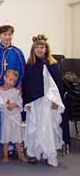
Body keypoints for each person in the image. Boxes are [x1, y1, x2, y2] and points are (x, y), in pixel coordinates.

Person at [22, 34, 66, 167]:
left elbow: (56, 85)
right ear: (33, 49)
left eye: (42, 47)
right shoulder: (30, 65)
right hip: (34, 102)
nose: (40, 49)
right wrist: (27, 102)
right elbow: (27, 85)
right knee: (33, 127)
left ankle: (49, 154)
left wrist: (55, 101)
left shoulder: (52, 65)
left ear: (46, 49)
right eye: (37, 47)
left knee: (47, 128)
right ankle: (33, 153)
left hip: (48, 102)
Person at [0, 21, 26, 158]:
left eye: (10, 34)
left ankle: (11, 146)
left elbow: (22, 70)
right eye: (5, 34)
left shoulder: (17, 52)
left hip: (13, 90)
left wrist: (20, 84)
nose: (7, 37)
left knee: (12, 117)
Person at [0, 70, 27, 163]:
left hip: (16, 117)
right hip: (6, 117)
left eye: (14, 81)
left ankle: (20, 155)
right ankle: (5, 156)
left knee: (17, 137)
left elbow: (20, 102)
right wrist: (6, 106)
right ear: (5, 78)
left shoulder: (16, 91)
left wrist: (14, 105)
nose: (12, 83)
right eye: (10, 79)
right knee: (5, 136)